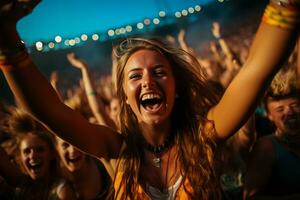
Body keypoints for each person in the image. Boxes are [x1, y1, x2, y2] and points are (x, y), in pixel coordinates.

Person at [0, 0, 299, 199]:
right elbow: (49, 112)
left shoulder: (204, 138)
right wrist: (5, 37)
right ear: (126, 98)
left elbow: (256, 72)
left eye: (159, 72)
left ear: (176, 88)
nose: (147, 81)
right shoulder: (115, 151)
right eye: (134, 76)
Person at [243, 69, 300, 200]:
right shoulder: (266, 148)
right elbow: (251, 198)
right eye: (280, 109)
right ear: (269, 116)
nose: (289, 112)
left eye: (295, 105)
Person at [0, 108, 76, 200]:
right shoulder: (20, 184)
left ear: (52, 154)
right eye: (27, 151)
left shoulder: (62, 192)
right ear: (20, 156)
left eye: (40, 149)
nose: (33, 156)